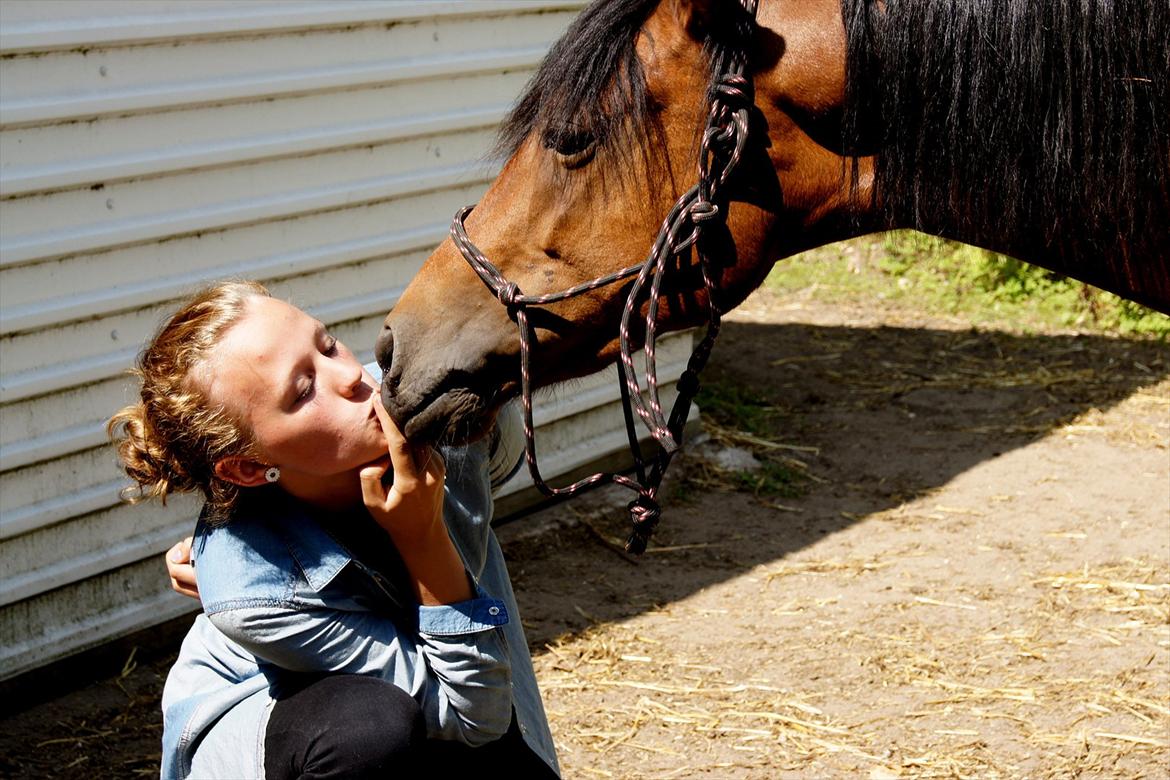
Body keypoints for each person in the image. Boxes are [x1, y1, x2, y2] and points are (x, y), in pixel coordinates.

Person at [108, 280, 558, 779]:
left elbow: (484, 712)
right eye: (303, 390)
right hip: (278, 729)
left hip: (442, 695)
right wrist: (423, 538)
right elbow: (470, 716)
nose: (351, 376)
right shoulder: (251, 591)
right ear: (249, 470)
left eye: (326, 344)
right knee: (370, 730)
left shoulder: (444, 407)